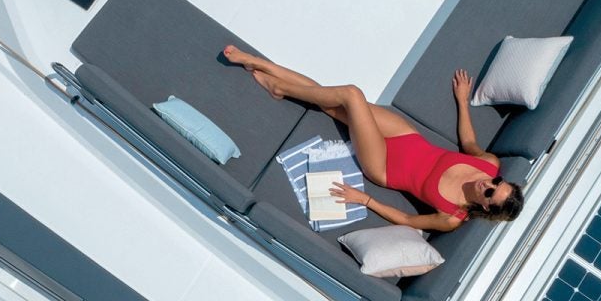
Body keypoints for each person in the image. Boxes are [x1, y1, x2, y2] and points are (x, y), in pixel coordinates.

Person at [223, 46, 524, 231]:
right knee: (331, 103)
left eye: (490, 193)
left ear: (486, 208)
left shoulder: (452, 217)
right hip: (406, 137)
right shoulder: (488, 165)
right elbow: (468, 143)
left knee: (350, 95)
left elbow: (407, 221)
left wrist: (365, 199)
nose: (489, 184)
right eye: (498, 183)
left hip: (384, 165)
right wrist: (462, 100)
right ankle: (271, 72)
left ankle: (276, 81)